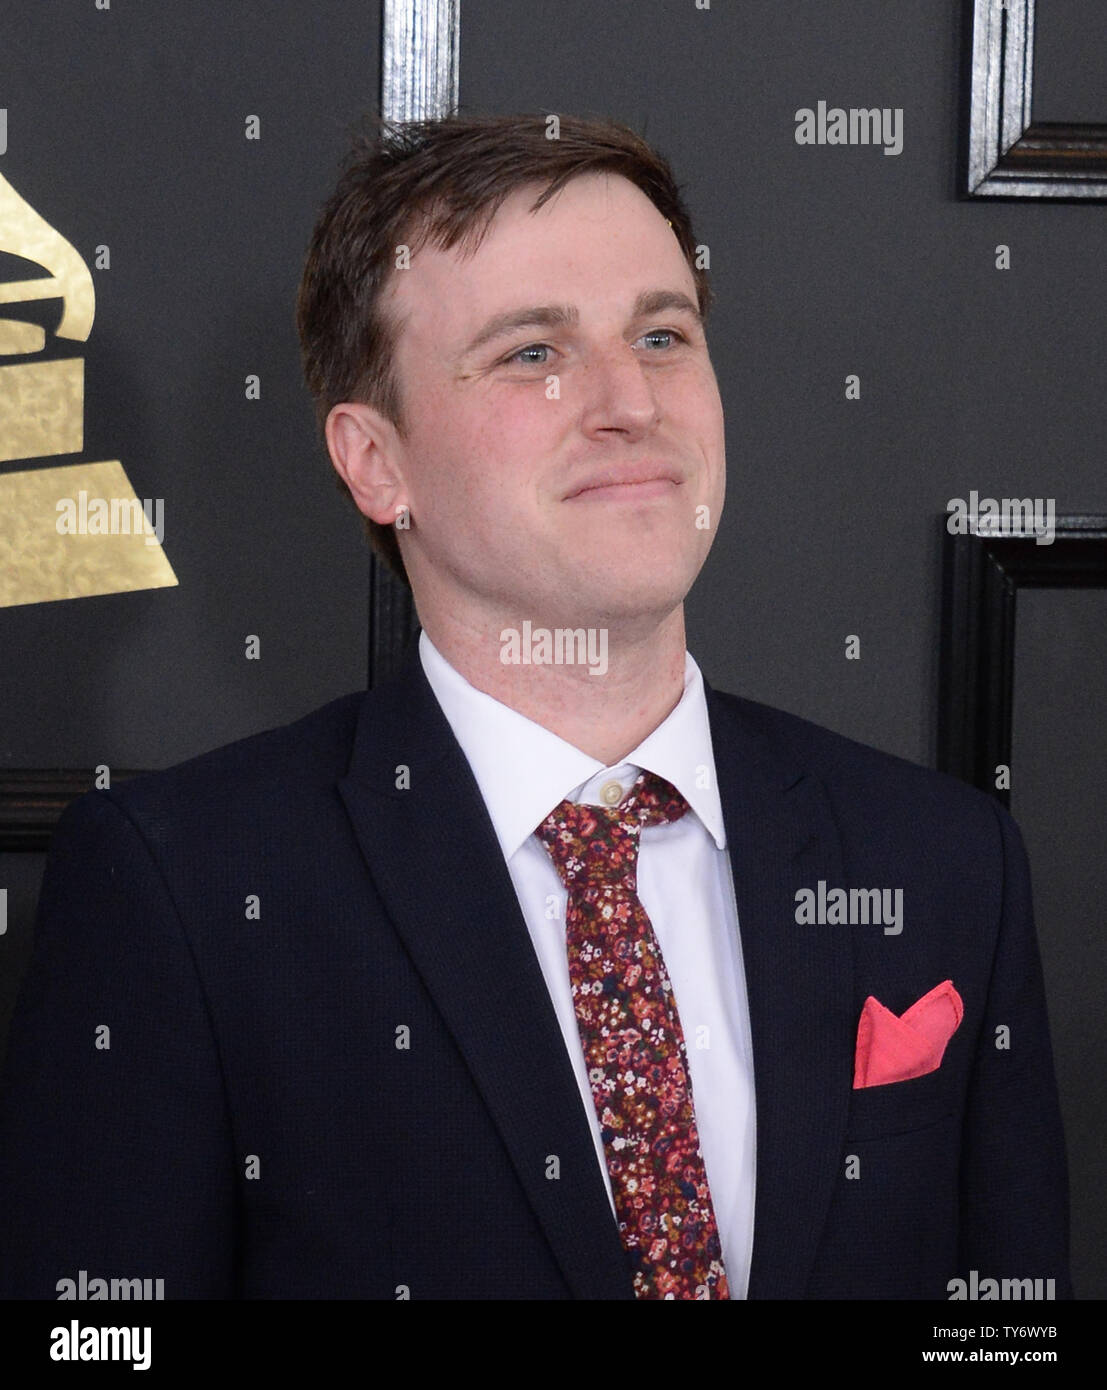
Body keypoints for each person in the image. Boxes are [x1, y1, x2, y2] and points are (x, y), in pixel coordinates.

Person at [0, 112, 1071, 1300]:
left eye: (662, 334)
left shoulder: (946, 861)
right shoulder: (185, 891)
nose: (630, 403)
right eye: (531, 353)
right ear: (374, 462)